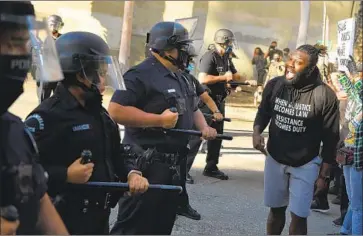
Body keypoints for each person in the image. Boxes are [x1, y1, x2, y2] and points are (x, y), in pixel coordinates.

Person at [24, 31, 149, 234]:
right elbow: (20, 173)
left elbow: (115, 152)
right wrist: (64, 175)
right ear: (81, 74)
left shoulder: (99, 113)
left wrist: (131, 173)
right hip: (59, 221)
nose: (103, 79)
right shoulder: (47, 117)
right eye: (99, 72)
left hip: (97, 220)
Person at [108, 21, 217, 235]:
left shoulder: (182, 76)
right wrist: (158, 120)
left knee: (161, 226)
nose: (186, 53)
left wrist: (203, 127)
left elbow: (192, 106)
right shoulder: (139, 74)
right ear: (167, 48)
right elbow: (116, 110)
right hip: (145, 164)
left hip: (173, 167)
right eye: (182, 48)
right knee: (133, 226)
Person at [253, 44, 340, 235]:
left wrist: (324, 175)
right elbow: (263, 112)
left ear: (310, 69)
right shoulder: (275, 85)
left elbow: (331, 137)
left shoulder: (324, 95)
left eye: (298, 63)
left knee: (299, 215)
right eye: (290, 59)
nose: (290, 65)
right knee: (275, 211)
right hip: (275, 158)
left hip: (306, 164)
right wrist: (257, 131)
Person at [0, 1, 69, 234]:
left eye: (24, 43)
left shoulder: (16, 133)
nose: (22, 55)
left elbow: (38, 203)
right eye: (12, 43)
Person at [177, 44, 224, 221]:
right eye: (186, 60)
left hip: (183, 132)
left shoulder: (188, 79)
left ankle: (181, 204)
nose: (188, 64)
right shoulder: (158, 77)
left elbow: (203, 96)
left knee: (179, 172)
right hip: (161, 137)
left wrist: (215, 112)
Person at [198, 28, 248, 180]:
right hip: (207, 100)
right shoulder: (210, 56)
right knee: (198, 135)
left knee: (217, 135)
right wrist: (222, 78)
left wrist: (239, 81)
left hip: (220, 99)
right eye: (230, 42)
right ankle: (183, 170)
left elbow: (232, 74)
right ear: (224, 42)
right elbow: (203, 79)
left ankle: (211, 166)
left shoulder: (226, 56)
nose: (231, 45)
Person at [33, 15, 64, 103]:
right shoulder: (38, 40)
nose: (53, 27)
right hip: (44, 76)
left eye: (56, 25)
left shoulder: (61, 39)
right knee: (43, 101)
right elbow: (35, 58)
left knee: (57, 101)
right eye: (51, 24)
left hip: (56, 76)